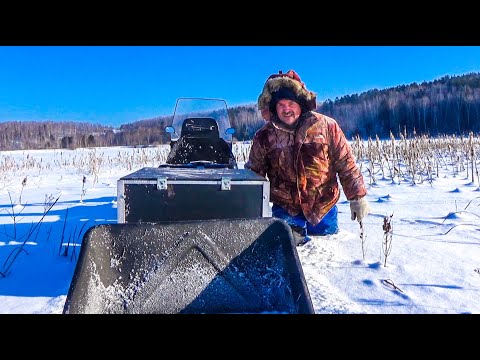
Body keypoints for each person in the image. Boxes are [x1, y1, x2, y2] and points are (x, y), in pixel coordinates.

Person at [245, 70, 370, 246]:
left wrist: (357, 197)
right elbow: (253, 173)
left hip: (323, 207)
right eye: (281, 105)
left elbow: (345, 163)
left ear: (300, 103)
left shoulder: (326, 126)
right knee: (289, 252)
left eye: (290, 103)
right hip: (286, 209)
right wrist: (246, 207)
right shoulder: (264, 136)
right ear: (273, 107)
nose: (286, 109)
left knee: (328, 249)